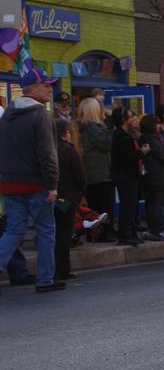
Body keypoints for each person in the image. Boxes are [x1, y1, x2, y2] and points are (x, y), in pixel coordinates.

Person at [0, 67, 65, 293]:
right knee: (46, 230)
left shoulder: (7, 115)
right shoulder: (41, 115)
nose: (50, 89)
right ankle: (45, 279)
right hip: (37, 183)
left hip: (9, 183)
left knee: (14, 230)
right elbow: (47, 153)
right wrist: (52, 185)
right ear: (33, 89)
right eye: (46, 86)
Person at [77, 96, 115, 239]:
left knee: (96, 204)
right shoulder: (92, 127)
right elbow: (105, 144)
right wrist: (110, 126)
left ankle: (96, 233)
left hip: (94, 170)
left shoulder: (84, 126)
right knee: (103, 205)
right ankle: (102, 233)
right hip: (99, 171)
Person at [54, 119, 86, 281]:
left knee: (51, 232)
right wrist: (81, 192)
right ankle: (62, 269)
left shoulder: (48, 149)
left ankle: (51, 269)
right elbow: (80, 176)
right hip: (66, 197)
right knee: (64, 233)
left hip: (51, 197)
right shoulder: (68, 151)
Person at [111, 107, 146, 246]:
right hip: (126, 176)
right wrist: (142, 152)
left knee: (130, 206)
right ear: (124, 120)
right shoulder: (122, 137)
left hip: (127, 175)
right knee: (127, 206)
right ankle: (124, 235)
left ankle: (130, 233)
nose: (134, 119)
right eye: (131, 117)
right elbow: (128, 158)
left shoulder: (125, 134)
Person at [139, 114, 164, 240]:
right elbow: (162, 154)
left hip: (150, 175)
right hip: (158, 174)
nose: (159, 126)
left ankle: (153, 229)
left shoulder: (143, 138)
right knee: (158, 204)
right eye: (157, 124)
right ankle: (158, 230)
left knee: (152, 203)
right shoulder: (153, 139)